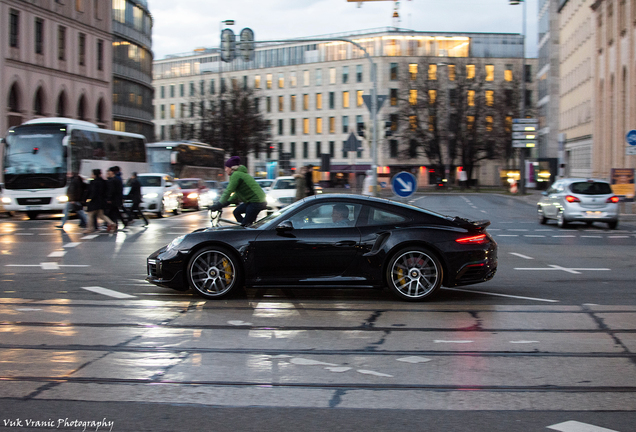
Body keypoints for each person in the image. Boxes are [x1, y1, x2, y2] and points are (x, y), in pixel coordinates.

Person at [208, 156, 267, 227]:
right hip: (255, 201)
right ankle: (249, 228)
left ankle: (247, 230)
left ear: (231, 168)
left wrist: (219, 204)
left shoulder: (236, 175)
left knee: (245, 226)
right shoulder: (239, 174)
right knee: (236, 212)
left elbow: (228, 191)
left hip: (256, 202)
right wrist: (227, 202)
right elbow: (237, 194)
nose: (225, 170)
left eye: (226, 167)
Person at [85, 169, 116, 234]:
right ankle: (112, 223)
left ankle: (89, 228)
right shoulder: (104, 182)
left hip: (94, 201)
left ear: (94, 175)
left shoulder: (93, 182)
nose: (91, 175)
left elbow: (92, 192)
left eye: (92, 174)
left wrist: (88, 199)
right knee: (101, 215)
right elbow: (107, 191)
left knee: (90, 215)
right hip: (101, 201)